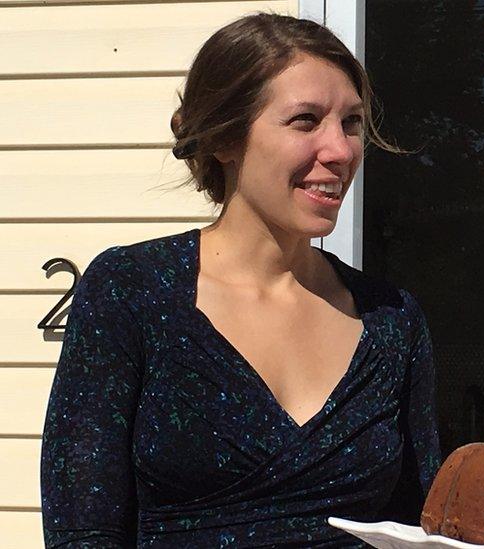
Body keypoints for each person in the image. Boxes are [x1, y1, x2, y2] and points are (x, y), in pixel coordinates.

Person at [41, 13, 439, 546]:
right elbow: (83, 529)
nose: (342, 151)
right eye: (305, 120)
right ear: (225, 138)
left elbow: (417, 521)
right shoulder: (131, 290)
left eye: (350, 122)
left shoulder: (391, 319)